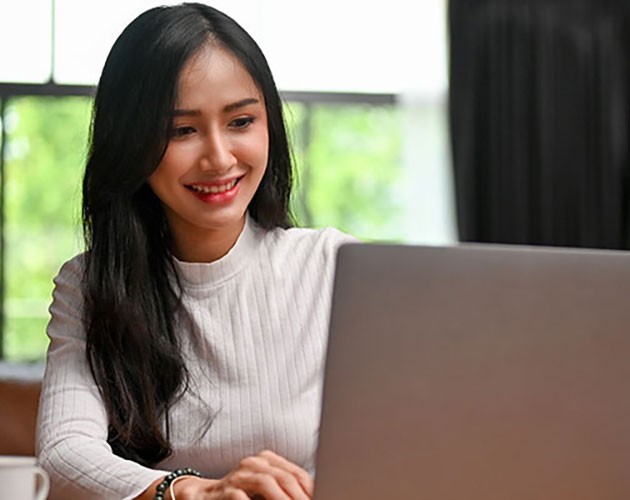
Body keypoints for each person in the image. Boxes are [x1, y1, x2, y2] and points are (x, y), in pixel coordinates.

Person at [35, 3, 355, 499]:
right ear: (133, 143)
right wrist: (192, 492)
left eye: (241, 121)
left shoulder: (336, 268)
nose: (219, 157)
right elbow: (64, 452)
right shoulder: (90, 284)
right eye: (182, 130)